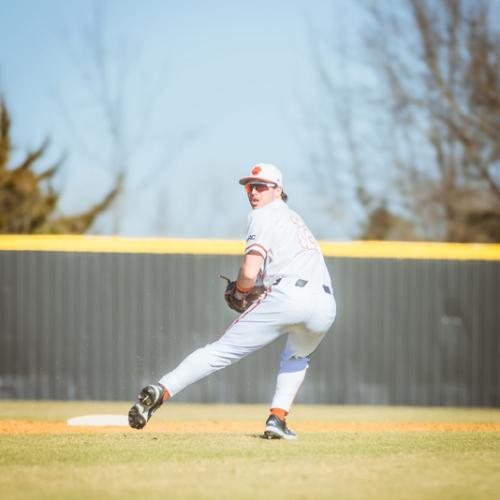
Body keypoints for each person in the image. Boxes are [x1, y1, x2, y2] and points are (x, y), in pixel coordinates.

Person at [128, 163, 336, 439]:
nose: (253, 192)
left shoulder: (262, 215)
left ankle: (161, 390)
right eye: (249, 186)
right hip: (325, 305)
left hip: (289, 295)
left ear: (278, 190)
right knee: (298, 356)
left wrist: (240, 291)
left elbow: (250, 271)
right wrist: (261, 288)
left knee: (219, 351)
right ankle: (277, 419)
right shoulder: (294, 219)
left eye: (261, 185)